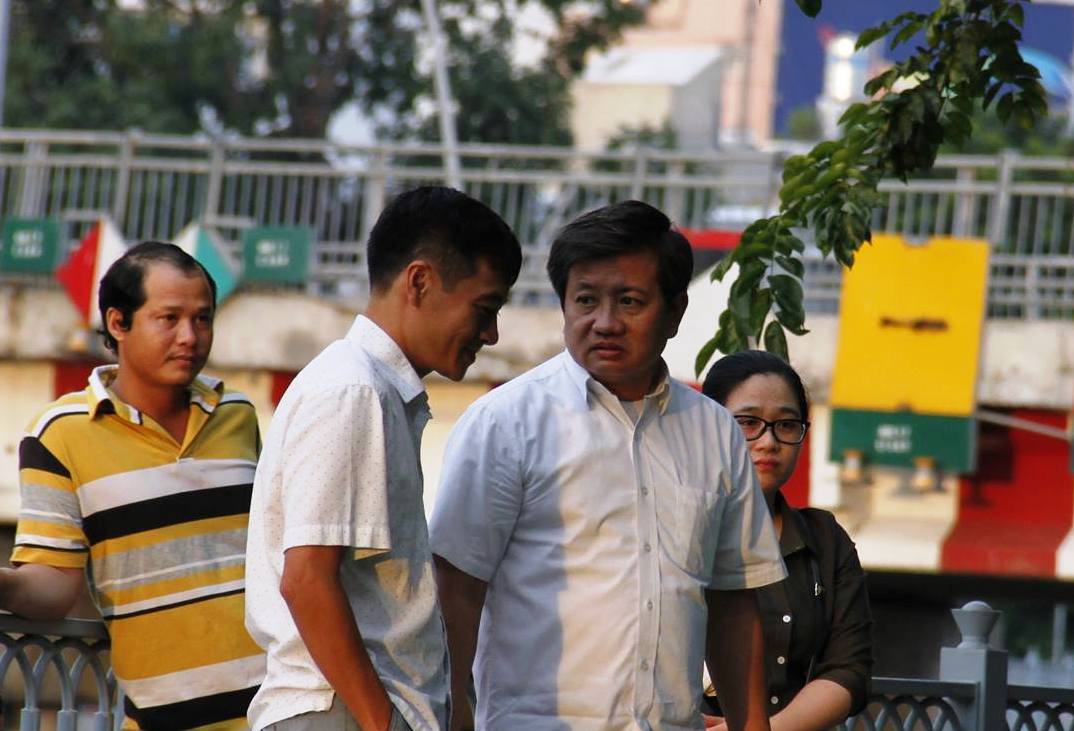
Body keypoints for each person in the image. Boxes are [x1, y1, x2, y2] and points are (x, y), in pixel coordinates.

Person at [430, 200, 787, 731]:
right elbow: (457, 588)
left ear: (675, 312)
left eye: (629, 301)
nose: (604, 323)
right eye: (585, 300)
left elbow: (732, 601)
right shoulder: (505, 423)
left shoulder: (716, 433)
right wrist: (453, 715)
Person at [243, 185, 522, 731]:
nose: (490, 334)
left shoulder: (373, 389)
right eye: (484, 309)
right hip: (341, 710)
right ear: (419, 282)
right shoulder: (353, 390)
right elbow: (306, 581)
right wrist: (382, 722)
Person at [3, 241, 265, 728]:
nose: (190, 337)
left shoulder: (237, 415)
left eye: (203, 319)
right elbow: (51, 584)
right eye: (169, 318)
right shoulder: (59, 435)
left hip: (276, 713)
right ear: (118, 323)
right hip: (165, 720)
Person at [701, 350, 873, 731]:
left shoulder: (825, 540)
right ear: (707, 427)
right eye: (748, 422)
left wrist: (757, 730)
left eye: (787, 425)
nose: (768, 441)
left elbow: (849, 669)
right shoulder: (672, 526)